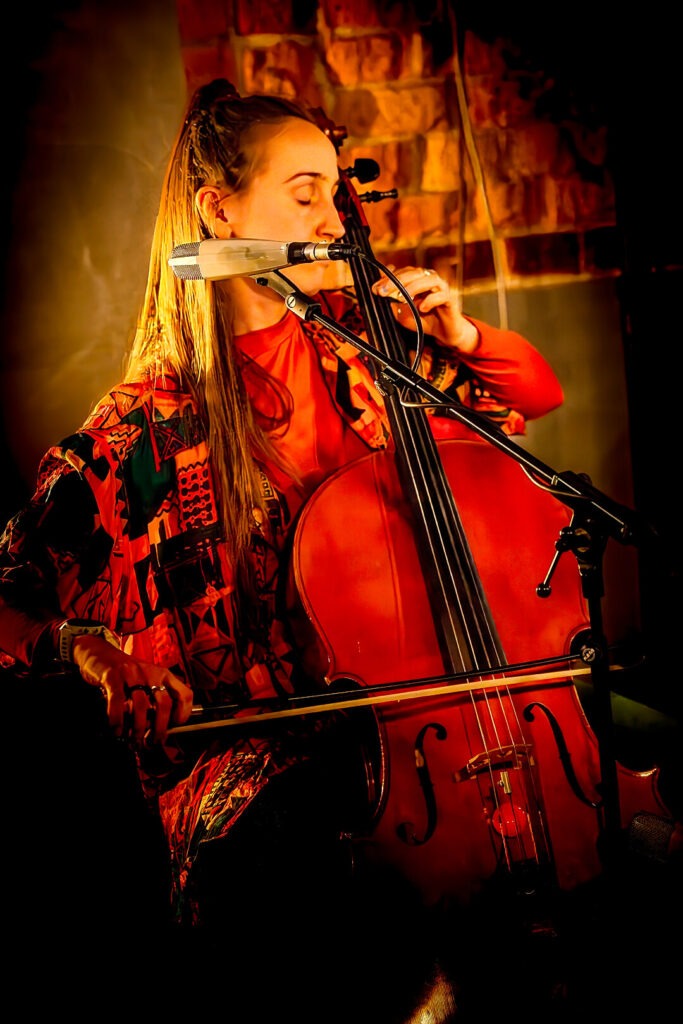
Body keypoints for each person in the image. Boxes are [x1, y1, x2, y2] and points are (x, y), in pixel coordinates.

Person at [0, 79, 569, 1020]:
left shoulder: (365, 360)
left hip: (422, 735)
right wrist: (94, 652)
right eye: (304, 192)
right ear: (218, 210)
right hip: (262, 778)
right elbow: (12, 596)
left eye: (338, 192)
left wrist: (457, 334)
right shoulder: (142, 429)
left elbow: (523, 406)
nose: (334, 216)